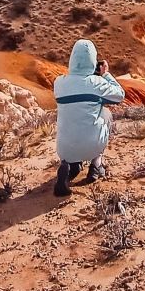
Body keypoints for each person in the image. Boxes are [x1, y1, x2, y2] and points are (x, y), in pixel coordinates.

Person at [53, 39, 125, 197]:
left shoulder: (58, 83)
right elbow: (120, 95)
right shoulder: (96, 83)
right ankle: (96, 164)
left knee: (73, 116)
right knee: (105, 113)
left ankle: (69, 166)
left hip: (64, 150)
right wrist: (105, 74)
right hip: (91, 146)